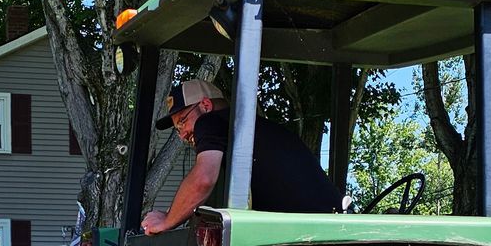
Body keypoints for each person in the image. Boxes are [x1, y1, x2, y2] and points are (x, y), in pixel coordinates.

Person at [141, 79, 341, 234]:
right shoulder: (243, 130)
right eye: (177, 129)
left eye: (183, 122)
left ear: (206, 105)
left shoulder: (209, 121)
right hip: (320, 223)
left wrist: (167, 220)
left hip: (312, 229)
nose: (183, 134)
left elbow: (203, 180)